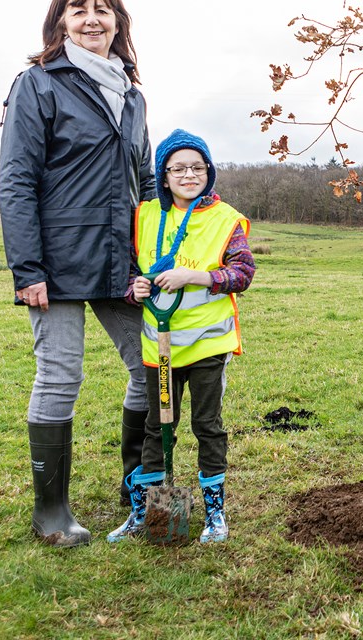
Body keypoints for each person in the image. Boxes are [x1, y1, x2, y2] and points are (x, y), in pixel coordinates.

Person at [0, 0, 155, 547]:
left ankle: (136, 481)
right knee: (61, 376)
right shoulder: (38, 85)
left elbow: (147, 177)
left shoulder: (132, 95)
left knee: (153, 366)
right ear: (59, 22)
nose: (93, 20)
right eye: (78, 10)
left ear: (119, 22)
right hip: (58, 263)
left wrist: (160, 249)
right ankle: (51, 512)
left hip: (122, 260)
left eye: (104, 11)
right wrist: (28, 269)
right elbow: (16, 181)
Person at [108, 129, 254, 544]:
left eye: (197, 167)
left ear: (209, 171)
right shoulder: (146, 215)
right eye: (179, 168)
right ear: (164, 174)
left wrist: (198, 276)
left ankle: (215, 516)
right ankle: (146, 514)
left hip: (208, 345)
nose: (189, 175)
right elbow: (133, 271)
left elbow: (242, 273)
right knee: (157, 427)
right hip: (161, 348)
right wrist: (134, 288)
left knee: (207, 426)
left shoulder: (226, 219)